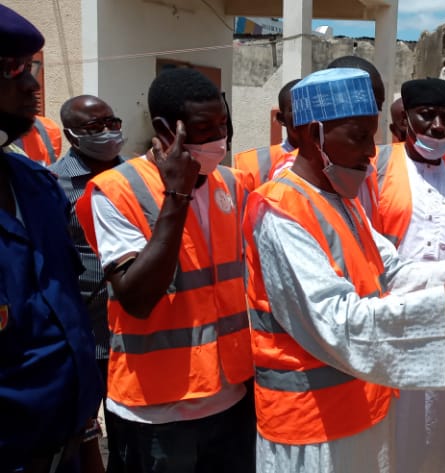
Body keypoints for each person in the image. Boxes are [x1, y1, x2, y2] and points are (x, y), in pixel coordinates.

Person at [244, 67, 445, 473]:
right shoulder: (280, 214)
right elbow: (338, 322)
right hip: (309, 431)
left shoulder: (341, 200)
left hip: (362, 408)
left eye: (372, 135)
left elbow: (392, 272)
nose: (372, 151)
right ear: (312, 134)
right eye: (359, 137)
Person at [76, 67, 256, 473]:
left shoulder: (234, 184)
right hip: (156, 412)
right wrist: (177, 194)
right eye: (203, 128)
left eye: (222, 125)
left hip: (230, 398)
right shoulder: (118, 190)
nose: (218, 139)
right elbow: (137, 299)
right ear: (165, 129)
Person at [0, 6, 104, 472]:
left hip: (64, 448)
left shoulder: (34, 184)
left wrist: (86, 437)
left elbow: (66, 316)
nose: (31, 85)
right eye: (10, 69)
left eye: (31, 68)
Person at [363, 77, 445, 473]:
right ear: (405, 119)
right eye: (427, 115)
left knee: (434, 433)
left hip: (443, 331)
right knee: (386, 436)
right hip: (390, 326)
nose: (438, 126)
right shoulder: (376, 166)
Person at [50, 95, 126, 387]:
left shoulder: (135, 175)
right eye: (95, 126)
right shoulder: (53, 183)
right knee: (81, 423)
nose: (107, 131)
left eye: (112, 122)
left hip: (134, 327)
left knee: (128, 425)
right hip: (82, 330)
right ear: (71, 134)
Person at [233, 79, 300, 188]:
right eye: (296, 109)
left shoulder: (331, 159)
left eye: (312, 109)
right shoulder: (252, 164)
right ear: (281, 119)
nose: (305, 117)